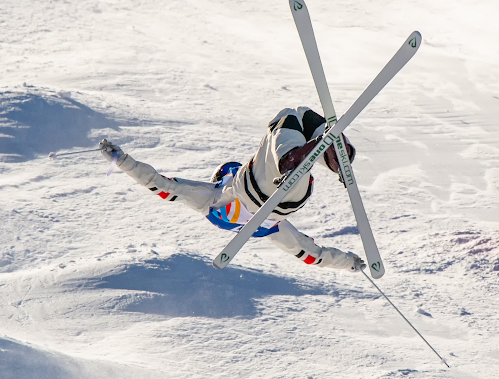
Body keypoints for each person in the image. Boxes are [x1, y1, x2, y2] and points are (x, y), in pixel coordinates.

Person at [100, 106, 365, 272]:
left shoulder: (267, 228)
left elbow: (310, 256)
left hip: (289, 201)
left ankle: (324, 151)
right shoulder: (213, 198)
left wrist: (349, 263)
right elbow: (310, 255)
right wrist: (123, 161)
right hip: (273, 189)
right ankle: (328, 154)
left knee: (300, 120)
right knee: (289, 116)